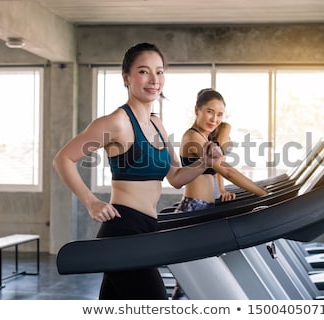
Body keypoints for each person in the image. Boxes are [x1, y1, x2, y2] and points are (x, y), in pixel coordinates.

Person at [52, 43, 222, 300]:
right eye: (144, 71)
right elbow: (63, 158)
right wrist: (91, 202)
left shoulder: (158, 124)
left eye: (160, 71)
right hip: (122, 231)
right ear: (126, 77)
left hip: (146, 229)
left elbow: (175, 178)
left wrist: (203, 163)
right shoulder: (116, 122)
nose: (154, 79)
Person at [171, 88, 268, 299]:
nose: (214, 118)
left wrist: (221, 189)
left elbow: (214, 169)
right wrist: (263, 194)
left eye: (219, 114)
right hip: (194, 208)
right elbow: (228, 170)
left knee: (197, 281)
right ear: (197, 110)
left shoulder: (205, 136)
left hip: (205, 208)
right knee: (191, 282)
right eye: (209, 111)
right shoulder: (193, 138)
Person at [209, 121, 237, 202]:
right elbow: (218, 160)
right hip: (210, 183)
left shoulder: (220, 127)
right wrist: (221, 189)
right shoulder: (225, 126)